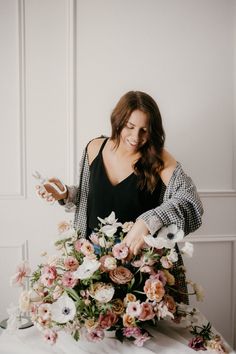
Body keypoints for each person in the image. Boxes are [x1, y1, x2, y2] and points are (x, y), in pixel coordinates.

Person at [40, 90, 204, 303]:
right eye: (130, 127)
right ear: (118, 121)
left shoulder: (160, 159)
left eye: (144, 130)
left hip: (140, 272)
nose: (136, 137)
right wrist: (66, 194)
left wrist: (147, 221)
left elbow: (191, 201)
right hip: (92, 265)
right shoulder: (94, 147)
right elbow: (91, 196)